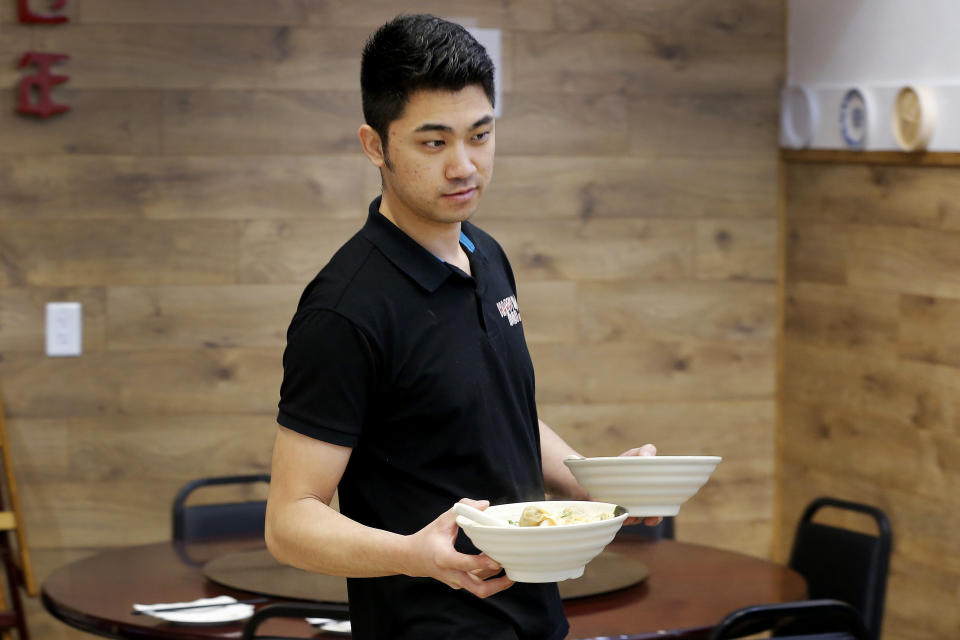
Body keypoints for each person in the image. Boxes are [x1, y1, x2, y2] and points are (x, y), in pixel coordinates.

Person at [266, 13, 659, 640]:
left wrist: (601, 481)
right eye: (433, 142)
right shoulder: (345, 308)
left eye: (480, 135)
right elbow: (289, 520)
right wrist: (413, 554)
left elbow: (500, 416)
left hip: (536, 621)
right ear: (375, 146)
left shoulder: (486, 254)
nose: (464, 166)